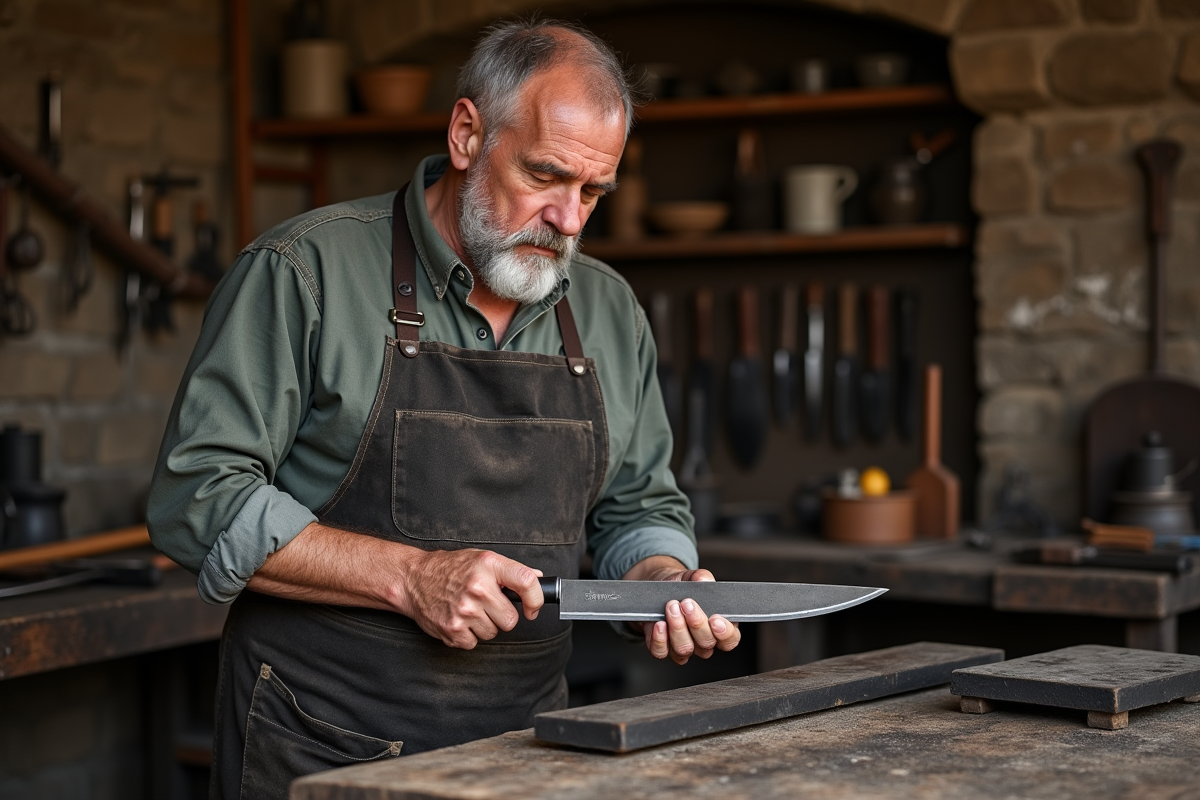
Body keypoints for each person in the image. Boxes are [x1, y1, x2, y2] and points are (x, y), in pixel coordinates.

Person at [148, 18, 741, 798]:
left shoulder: (608, 311)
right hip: (319, 741)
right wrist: (410, 576)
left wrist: (661, 580)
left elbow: (636, 505)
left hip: (530, 750)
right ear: (467, 134)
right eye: (545, 176)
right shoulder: (305, 271)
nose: (569, 221)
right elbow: (197, 496)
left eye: (592, 191)